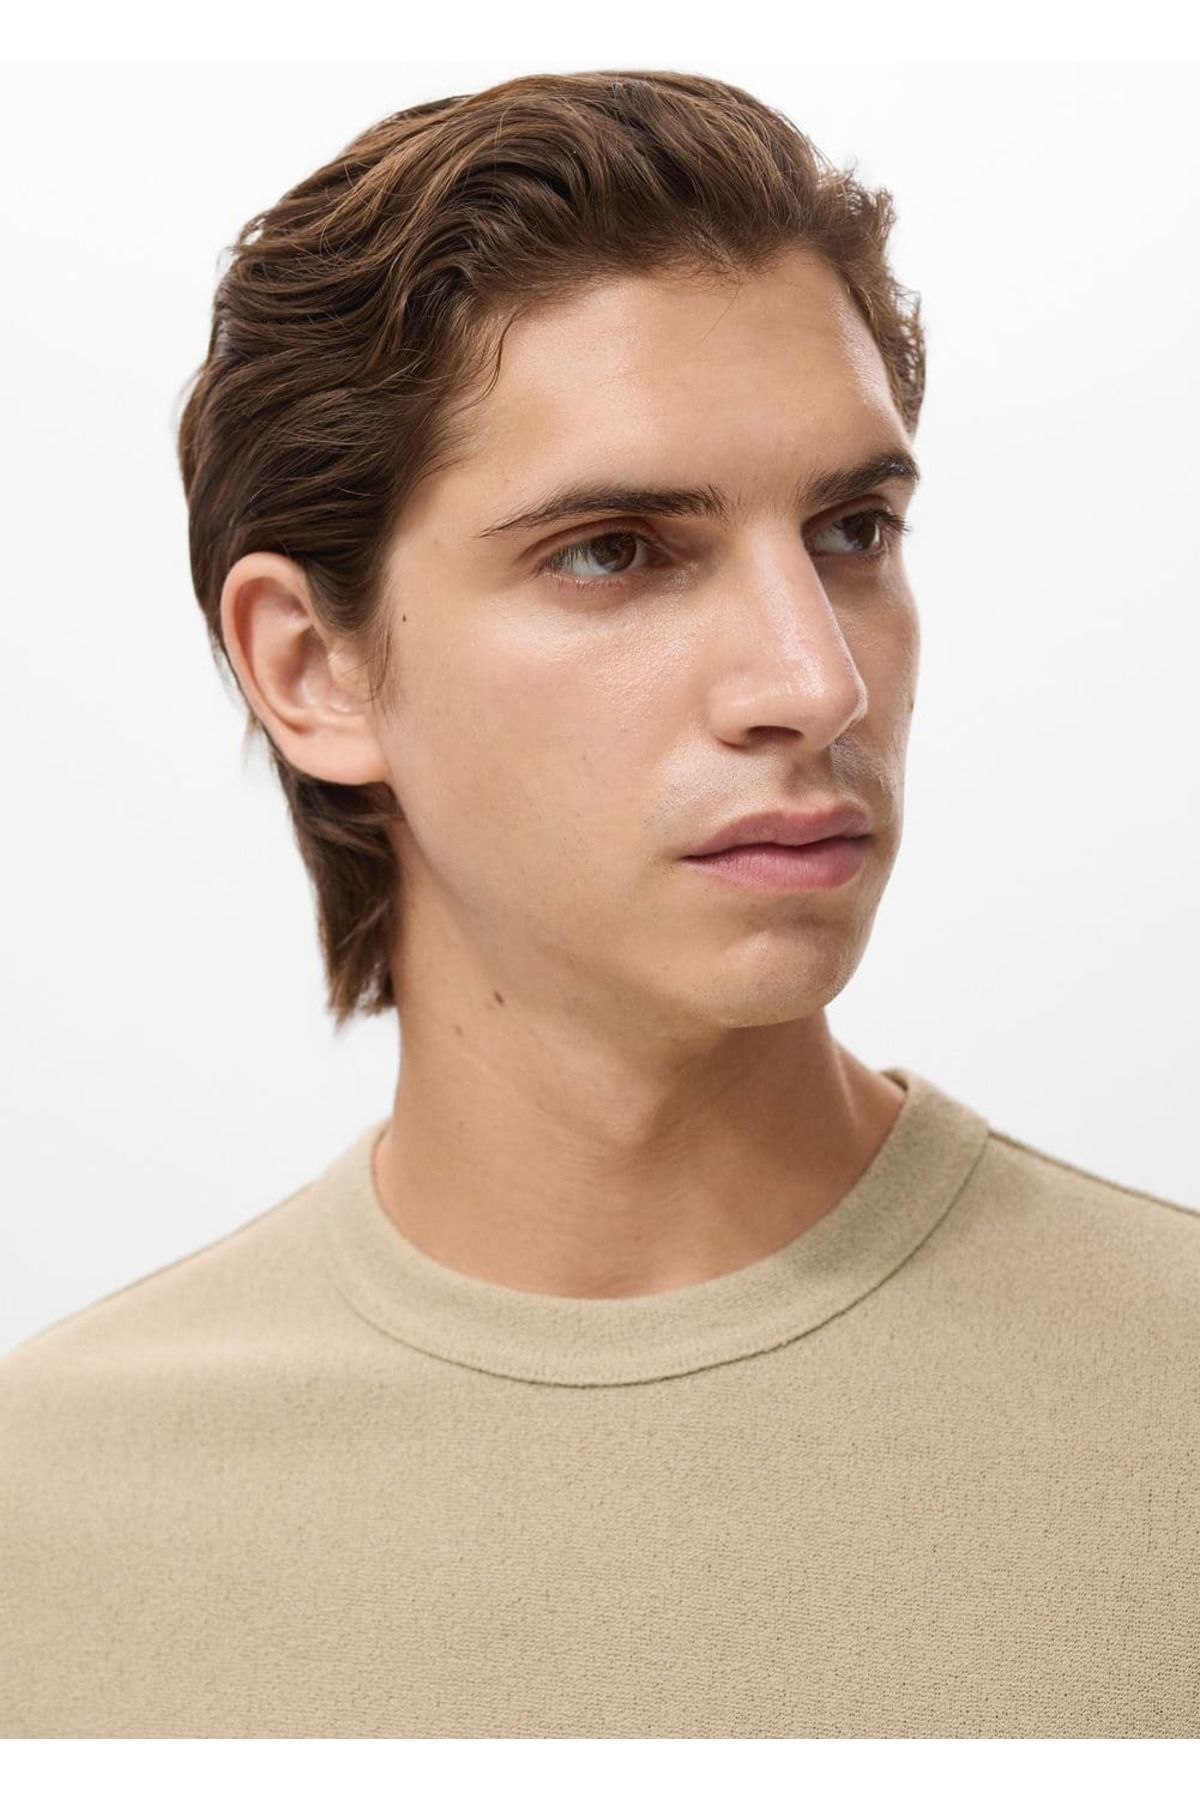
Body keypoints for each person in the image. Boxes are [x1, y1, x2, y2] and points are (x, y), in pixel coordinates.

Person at [1, 68, 1196, 1741]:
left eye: (854, 529)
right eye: (616, 551)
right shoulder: (50, 1515)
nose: (816, 682)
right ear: (314, 667)